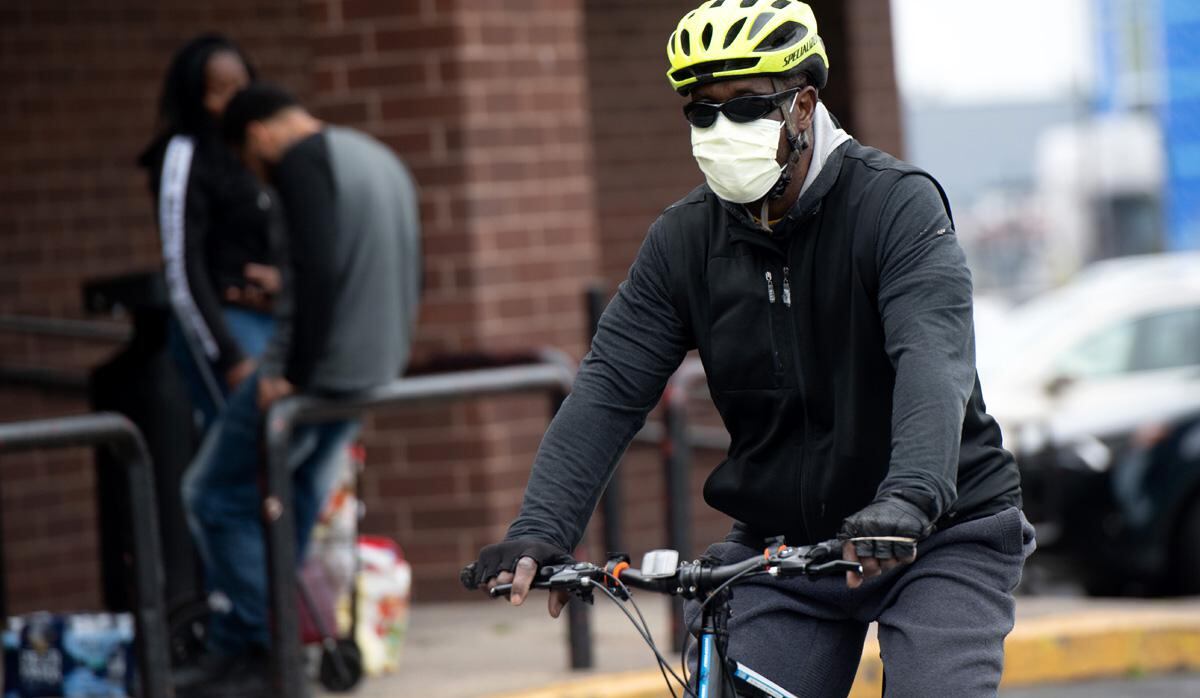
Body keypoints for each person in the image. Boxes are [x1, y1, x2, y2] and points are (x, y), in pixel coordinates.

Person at [463, 1, 1035, 696]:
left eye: (744, 107)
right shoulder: (684, 241)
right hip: (786, 549)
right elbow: (611, 386)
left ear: (803, 105)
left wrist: (910, 496)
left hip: (936, 530)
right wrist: (542, 527)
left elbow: (932, 358)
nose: (719, 129)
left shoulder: (895, 206)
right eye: (701, 112)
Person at [176, 83, 421, 697]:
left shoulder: (304, 160)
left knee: (209, 494)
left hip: (317, 370)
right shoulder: (374, 155)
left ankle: (268, 641)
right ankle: (262, 645)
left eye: (252, 163)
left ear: (257, 135)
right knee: (299, 496)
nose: (261, 175)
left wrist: (287, 367)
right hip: (374, 367)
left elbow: (314, 267)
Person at [139, 34, 283, 427]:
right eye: (220, 90)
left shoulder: (258, 148)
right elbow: (183, 264)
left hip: (274, 315)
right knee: (250, 442)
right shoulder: (185, 154)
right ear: (195, 97)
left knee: (296, 447)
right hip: (226, 321)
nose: (235, 99)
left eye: (242, 85)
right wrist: (228, 354)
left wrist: (285, 279)